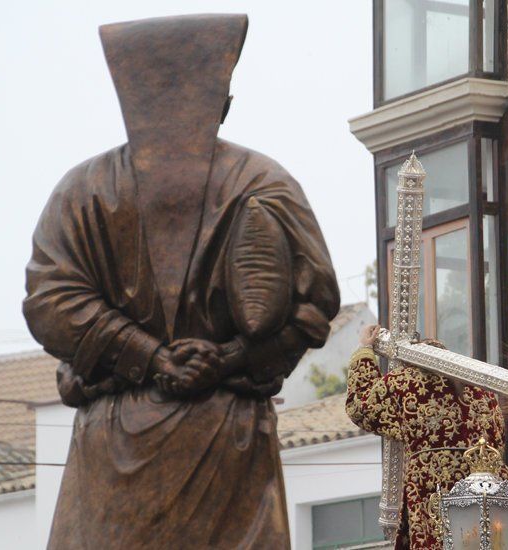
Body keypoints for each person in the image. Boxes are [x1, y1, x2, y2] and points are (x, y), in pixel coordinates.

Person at [23, 15, 339, 549]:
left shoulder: (84, 189)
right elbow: (313, 309)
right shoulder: (263, 181)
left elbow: (52, 301)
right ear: (225, 104)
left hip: (207, 438)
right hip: (171, 432)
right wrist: (183, 356)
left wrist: (173, 358)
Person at [346, 325, 508, 550]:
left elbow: (360, 406)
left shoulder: (403, 381)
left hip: (432, 482)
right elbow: (498, 441)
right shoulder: (483, 388)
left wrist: (364, 351)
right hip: (491, 489)